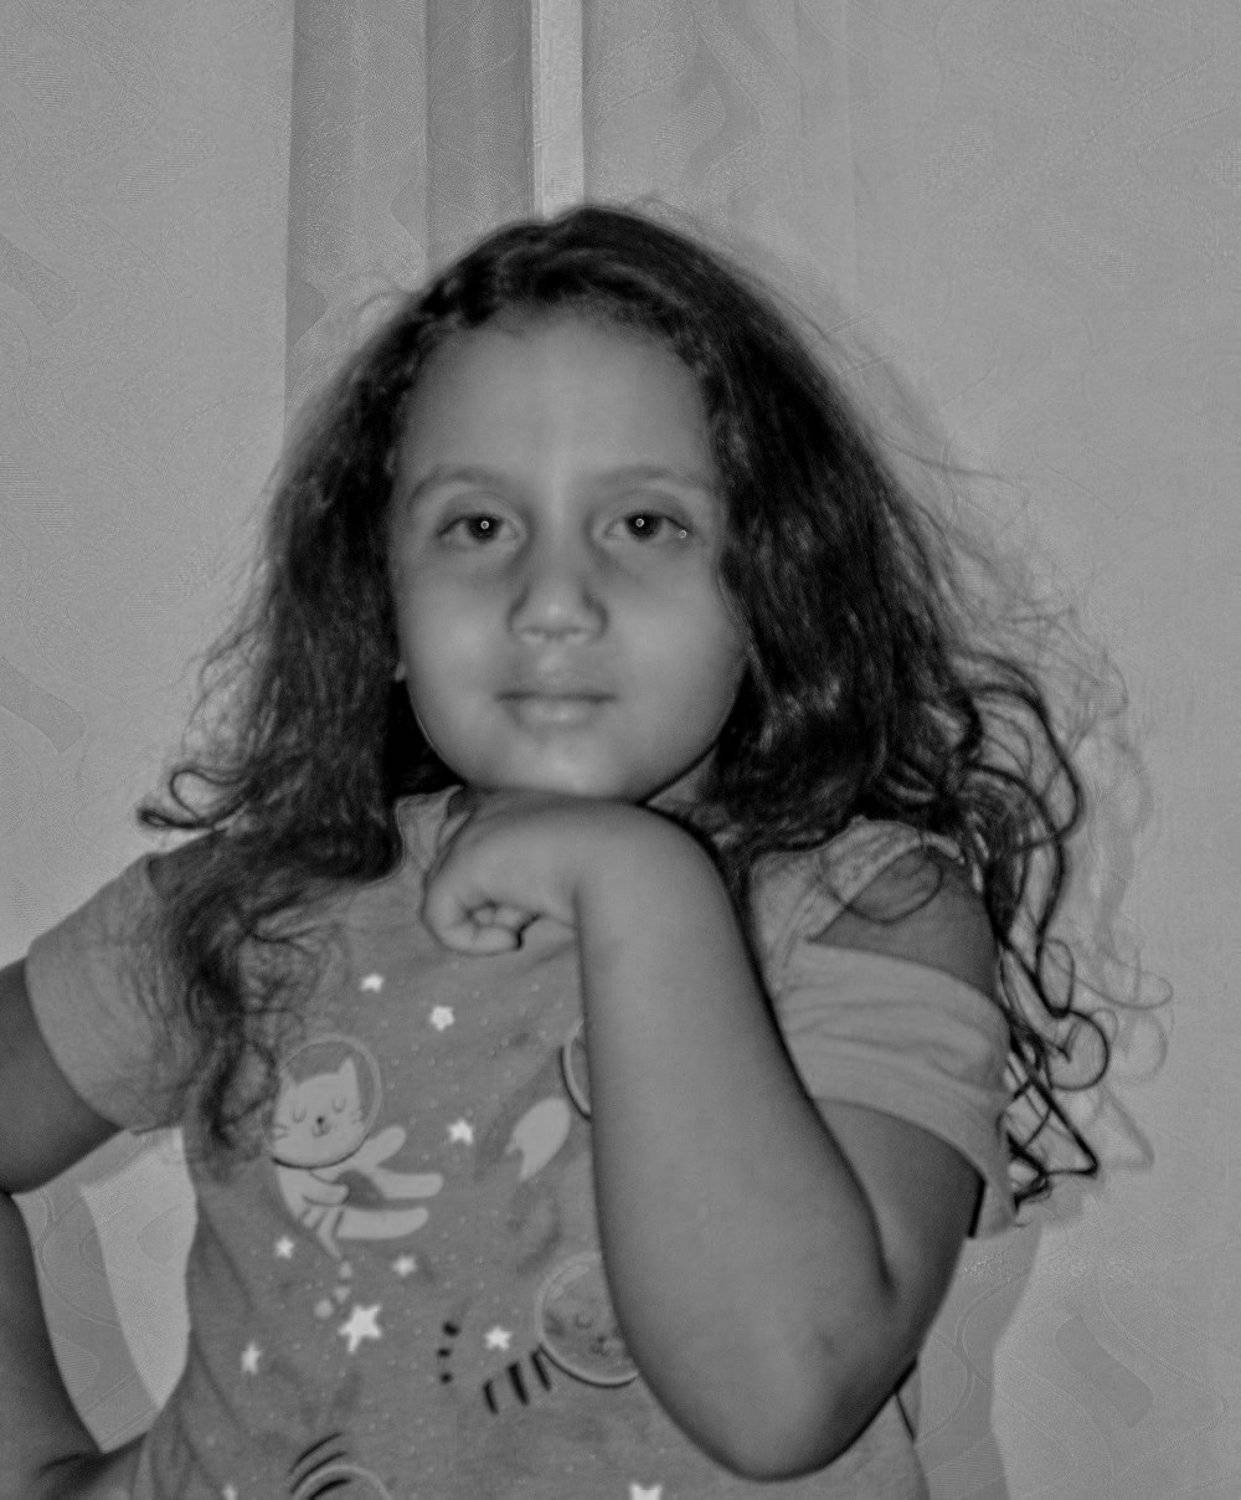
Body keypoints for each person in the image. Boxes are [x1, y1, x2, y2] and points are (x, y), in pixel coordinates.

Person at [0, 204, 1110, 1498]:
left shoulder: (866, 911)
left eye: (643, 524)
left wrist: (637, 887)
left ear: (769, 581)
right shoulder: (248, 907)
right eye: (478, 526)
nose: (553, 600)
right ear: (381, 600)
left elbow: (781, 1397)